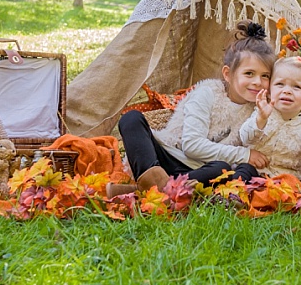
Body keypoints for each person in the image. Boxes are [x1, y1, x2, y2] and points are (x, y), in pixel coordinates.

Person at [105, 21, 275, 198]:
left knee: (231, 169)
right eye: (249, 74)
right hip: (168, 158)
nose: (257, 82)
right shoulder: (207, 93)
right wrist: (244, 154)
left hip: (201, 173)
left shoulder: (260, 110)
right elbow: (192, 146)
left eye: (265, 76)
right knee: (131, 119)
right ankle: (159, 184)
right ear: (228, 74)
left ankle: (152, 192)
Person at [234, 56, 301, 182]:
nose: (287, 91)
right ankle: (234, 195)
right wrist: (261, 119)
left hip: (290, 177)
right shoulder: (264, 111)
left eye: (297, 87)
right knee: (243, 170)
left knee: (299, 187)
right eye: (280, 84)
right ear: (270, 91)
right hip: (258, 171)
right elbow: (245, 138)